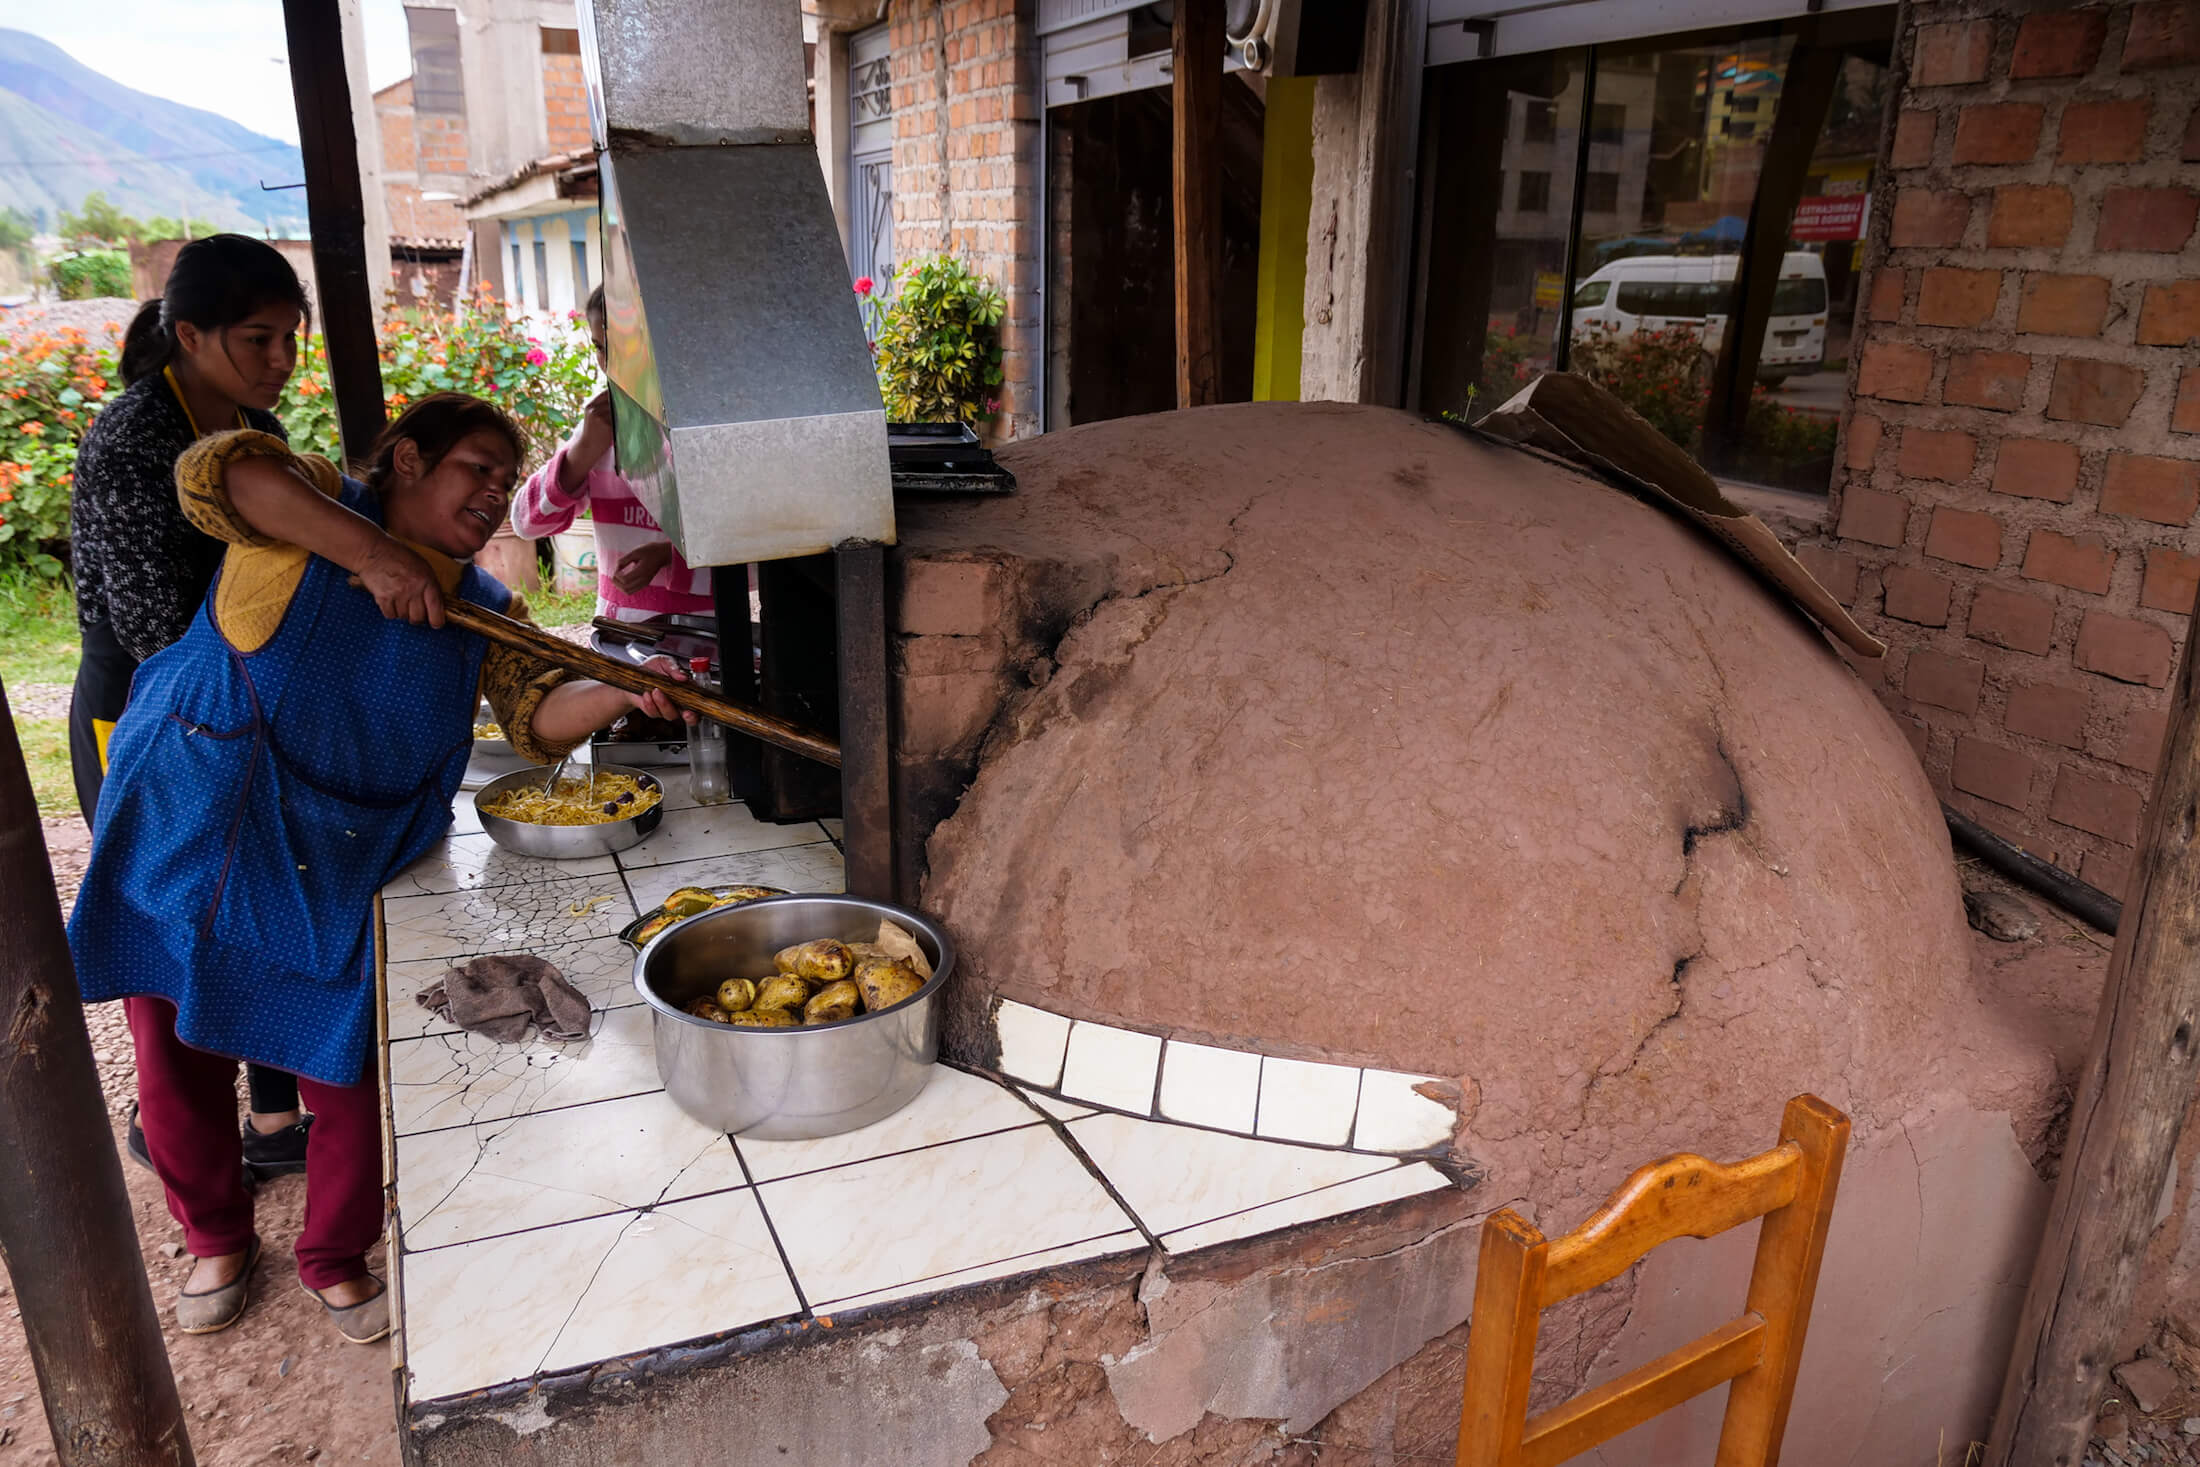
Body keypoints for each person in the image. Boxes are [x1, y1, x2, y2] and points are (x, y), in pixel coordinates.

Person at [66, 393, 694, 1343]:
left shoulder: (486, 609)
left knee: (344, 1058)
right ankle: (215, 1239)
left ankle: (333, 1253)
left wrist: (622, 690)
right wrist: (371, 555)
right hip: (200, 814)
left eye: (506, 479)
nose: (494, 493)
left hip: (339, 850)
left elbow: (536, 717)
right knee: (176, 1047)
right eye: (476, 468)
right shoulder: (310, 505)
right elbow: (216, 473)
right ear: (405, 458)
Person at [68, 234, 316, 1181]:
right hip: (148, 704)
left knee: (261, 895)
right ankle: (183, 1128)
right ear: (191, 335)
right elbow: (149, 624)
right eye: (259, 340)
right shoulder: (133, 438)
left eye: (291, 338)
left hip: (241, 688)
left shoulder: (259, 430)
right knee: (178, 914)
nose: (281, 360)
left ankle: (273, 1114)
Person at [510, 286, 711, 622]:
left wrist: (669, 556)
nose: (611, 364)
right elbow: (525, 523)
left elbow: (754, 552)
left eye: (626, 346)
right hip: (617, 637)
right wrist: (582, 453)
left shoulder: (706, 434)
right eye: (601, 348)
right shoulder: (601, 430)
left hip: (704, 637)